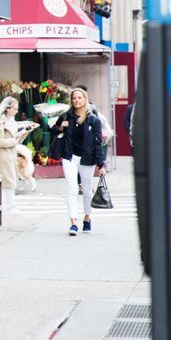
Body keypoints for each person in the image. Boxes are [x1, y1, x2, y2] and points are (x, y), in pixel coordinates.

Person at [51, 87, 107, 236]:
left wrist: (101, 165)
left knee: (87, 191)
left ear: (85, 99)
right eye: (74, 98)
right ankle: (73, 223)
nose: (76, 100)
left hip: (87, 159)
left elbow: (97, 144)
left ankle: (87, 218)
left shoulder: (93, 120)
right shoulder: (66, 116)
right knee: (72, 188)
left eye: (79, 97)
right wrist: (60, 128)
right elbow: (52, 130)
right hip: (69, 157)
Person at [0, 97, 37, 212]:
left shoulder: (11, 121)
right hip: (1, 156)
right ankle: (7, 206)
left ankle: (9, 206)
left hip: (8, 155)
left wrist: (23, 133)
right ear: (8, 109)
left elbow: (11, 138)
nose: (17, 111)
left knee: (9, 181)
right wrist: (15, 140)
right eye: (15, 109)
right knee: (6, 182)